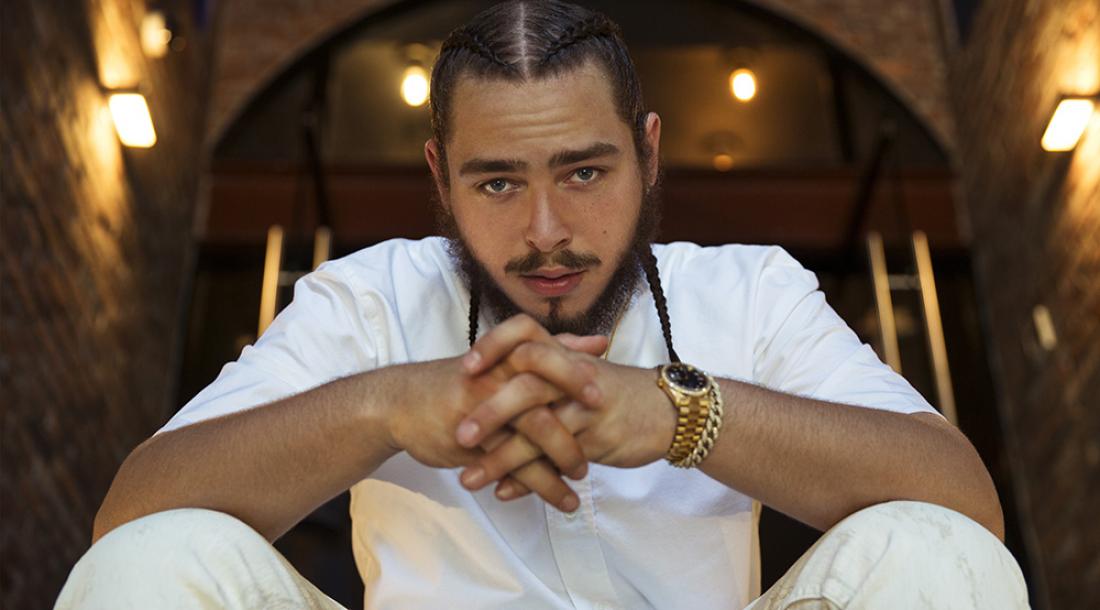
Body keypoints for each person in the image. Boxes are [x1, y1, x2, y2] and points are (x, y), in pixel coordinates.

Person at [56, 1, 1028, 608]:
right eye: (496, 183)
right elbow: (128, 524)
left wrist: (679, 414)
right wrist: (385, 408)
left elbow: (962, 501)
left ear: (649, 154)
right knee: (154, 564)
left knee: (936, 558)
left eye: (584, 171)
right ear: (439, 179)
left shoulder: (749, 291)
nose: (546, 231)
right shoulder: (370, 296)